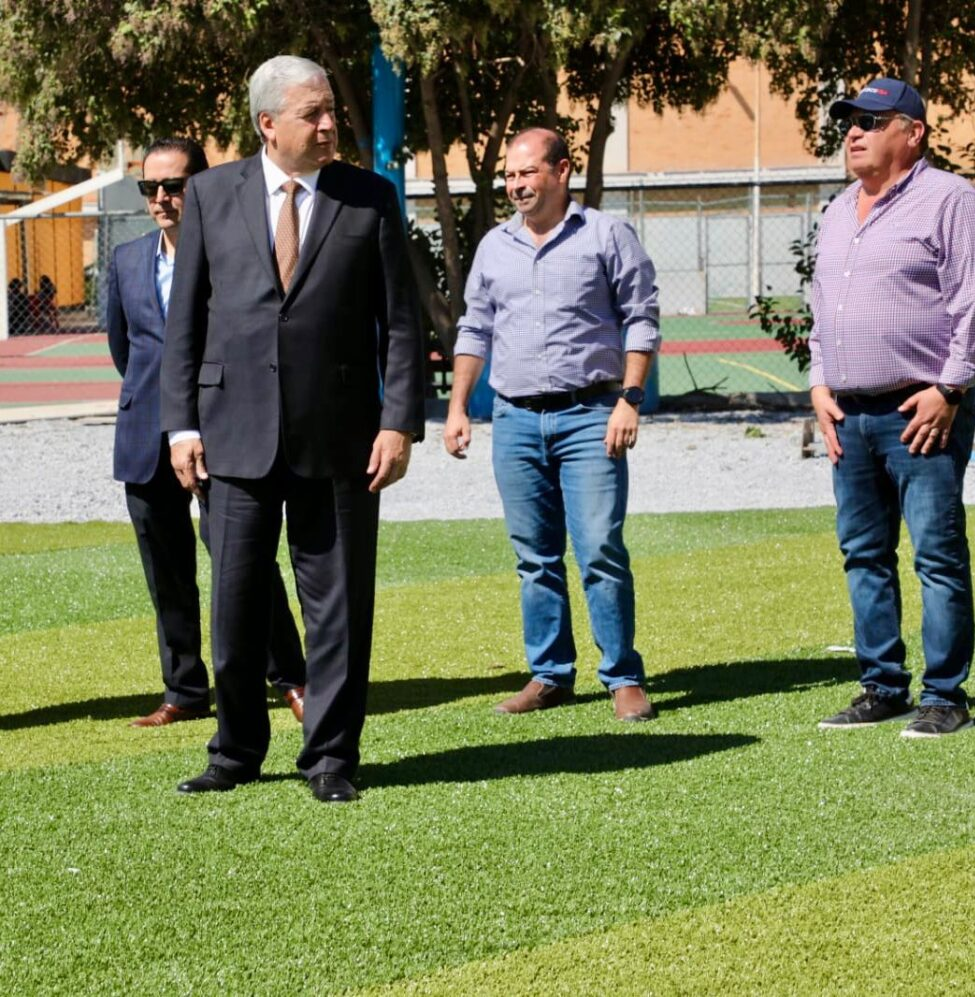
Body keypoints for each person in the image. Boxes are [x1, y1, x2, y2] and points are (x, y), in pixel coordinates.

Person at [160, 56, 424, 801]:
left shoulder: (369, 197)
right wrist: (180, 424)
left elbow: (398, 324)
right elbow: (187, 322)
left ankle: (332, 758)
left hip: (341, 437)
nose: (330, 123)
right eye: (314, 113)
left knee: (337, 604)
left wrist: (399, 422)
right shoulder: (212, 194)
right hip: (231, 436)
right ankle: (236, 750)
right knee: (236, 604)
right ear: (268, 124)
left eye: (330, 109)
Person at [810, 78, 975, 738]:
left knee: (936, 554)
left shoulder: (951, 200)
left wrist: (950, 389)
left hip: (920, 410)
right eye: (849, 121)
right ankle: (882, 685)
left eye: (871, 120)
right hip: (849, 413)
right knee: (863, 553)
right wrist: (818, 384)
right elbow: (820, 312)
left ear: (912, 132)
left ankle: (945, 693)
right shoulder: (838, 211)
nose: (854, 132)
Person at [444, 127, 660, 722]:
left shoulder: (606, 235)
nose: (516, 185)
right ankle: (550, 674)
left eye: (527, 173)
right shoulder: (493, 247)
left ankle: (622, 677)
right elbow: (475, 328)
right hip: (513, 419)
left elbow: (641, 319)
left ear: (562, 171)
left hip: (591, 414)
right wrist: (460, 406)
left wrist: (630, 399)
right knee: (535, 558)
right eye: (509, 176)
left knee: (599, 551)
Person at [107, 137, 307, 729]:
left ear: (204, 183)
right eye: (151, 188)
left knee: (245, 562)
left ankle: (292, 678)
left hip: (225, 432)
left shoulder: (240, 251)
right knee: (166, 572)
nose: (163, 199)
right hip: (146, 438)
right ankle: (185, 689)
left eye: (175, 185)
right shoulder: (125, 261)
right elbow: (128, 351)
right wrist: (166, 416)